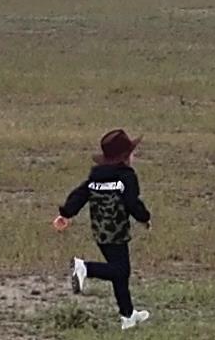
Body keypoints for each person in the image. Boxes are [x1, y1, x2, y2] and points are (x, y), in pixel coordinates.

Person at [54, 128, 154, 329]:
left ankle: (127, 315)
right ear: (125, 157)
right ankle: (84, 268)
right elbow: (132, 202)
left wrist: (66, 213)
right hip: (117, 231)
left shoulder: (96, 176)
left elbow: (79, 194)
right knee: (120, 270)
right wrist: (144, 218)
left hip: (100, 232)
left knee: (120, 271)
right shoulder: (127, 177)